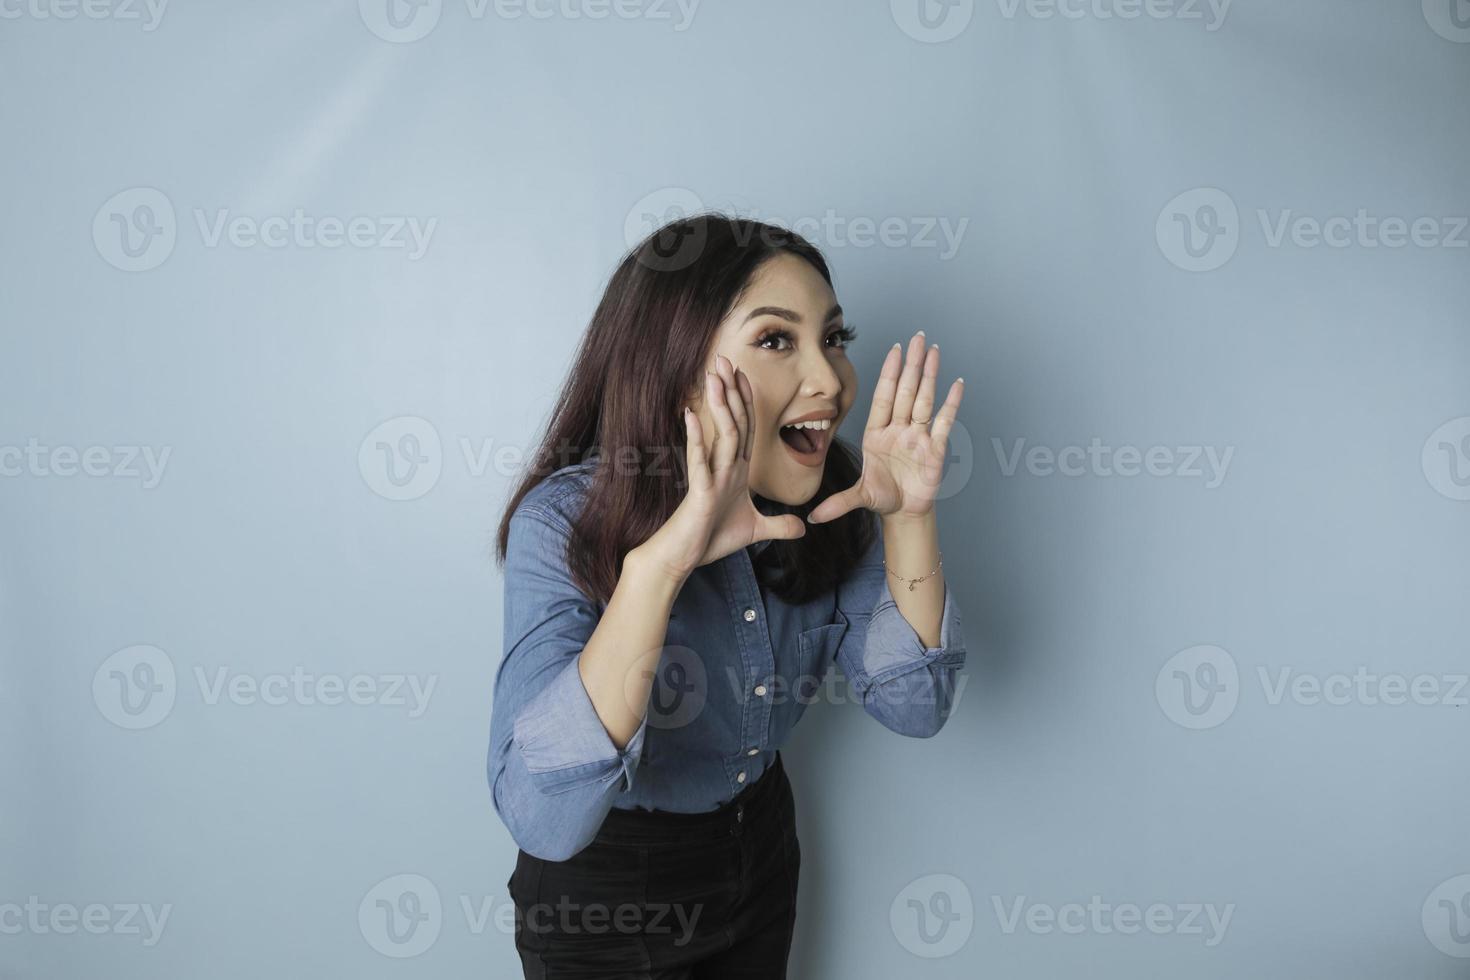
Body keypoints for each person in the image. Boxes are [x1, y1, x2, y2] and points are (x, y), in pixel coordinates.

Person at [487, 212, 968, 977]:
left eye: (833, 339)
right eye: (777, 340)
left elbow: (914, 707)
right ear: (679, 369)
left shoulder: (834, 500)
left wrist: (909, 517)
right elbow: (545, 818)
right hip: (610, 888)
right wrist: (660, 568)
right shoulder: (564, 522)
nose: (831, 380)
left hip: (761, 849)